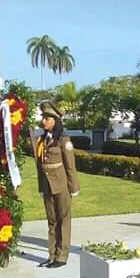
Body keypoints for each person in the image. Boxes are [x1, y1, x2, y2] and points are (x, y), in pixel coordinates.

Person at [35, 101, 80, 268]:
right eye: (43, 118)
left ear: (55, 121)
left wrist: (73, 187)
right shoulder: (41, 140)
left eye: (47, 118)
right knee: (52, 221)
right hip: (47, 185)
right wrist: (41, 186)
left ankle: (61, 256)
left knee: (63, 220)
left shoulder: (64, 140)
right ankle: (52, 254)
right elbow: (40, 166)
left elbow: (70, 166)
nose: (43, 121)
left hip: (62, 185)